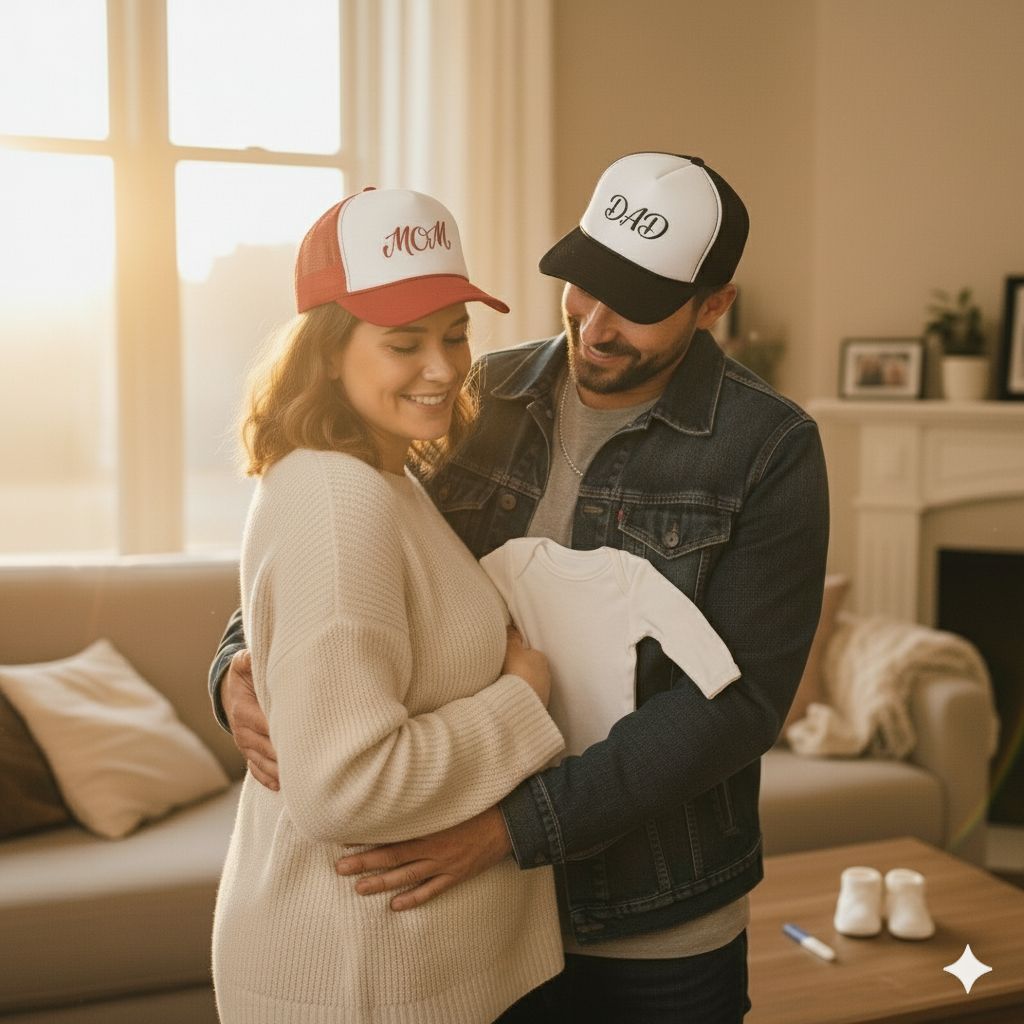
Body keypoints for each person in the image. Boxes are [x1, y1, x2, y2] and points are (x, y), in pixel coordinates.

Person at [211, 153, 830, 1023]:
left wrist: (512, 828)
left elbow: (740, 704)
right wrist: (237, 664)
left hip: (652, 913)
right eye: (587, 285)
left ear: (713, 304)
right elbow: (339, 556)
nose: (597, 325)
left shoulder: (769, 449)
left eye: (639, 304)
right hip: (480, 924)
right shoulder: (477, 395)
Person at [211, 186, 568, 1024]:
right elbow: (345, 787)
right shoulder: (339, 499)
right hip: (358, 978)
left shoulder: (385, 475)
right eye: (405, 343)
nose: (443, 368)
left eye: (455, 334)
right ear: (328, 352)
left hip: (401, 963)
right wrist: (522, 699)